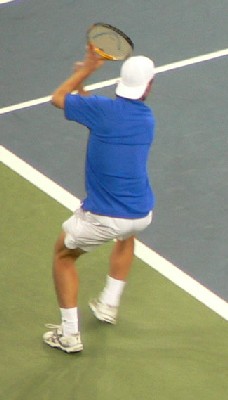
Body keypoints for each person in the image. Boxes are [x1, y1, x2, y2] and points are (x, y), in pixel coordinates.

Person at [43, 46, 156, 353]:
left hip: (104, 216)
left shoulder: (103, 112)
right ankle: (109, 302)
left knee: (63, 256)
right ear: (149, 86)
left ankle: (69, 335)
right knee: (127, 234)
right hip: (141, 212)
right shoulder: (146, 119)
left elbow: (57, 99)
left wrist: (86, 70)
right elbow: (98, 109)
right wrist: (83, 87)